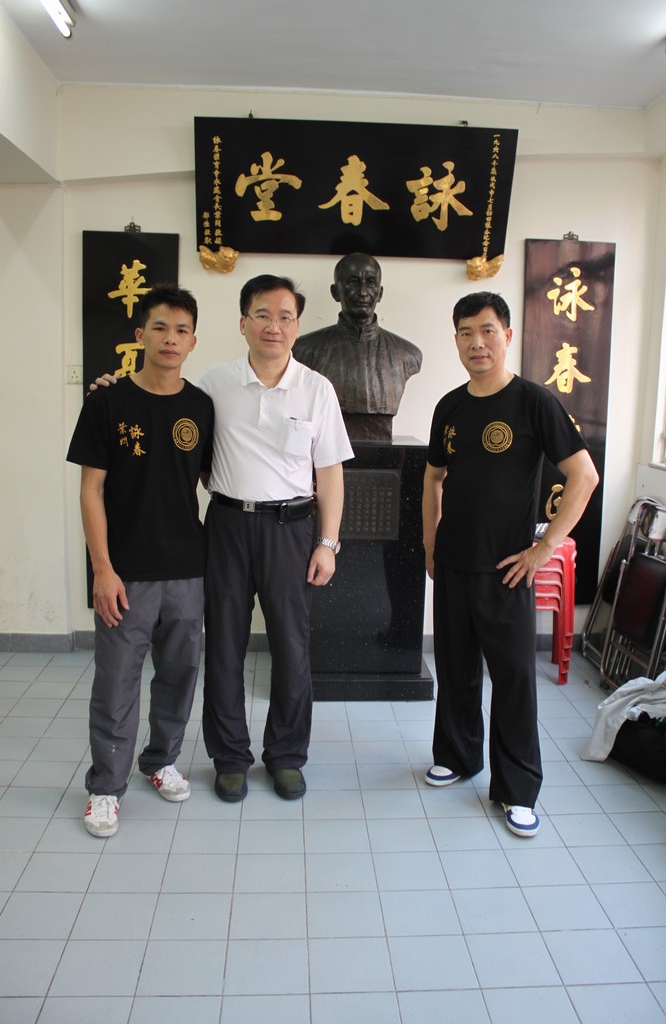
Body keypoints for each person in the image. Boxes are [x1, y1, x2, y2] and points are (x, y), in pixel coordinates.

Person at [422, 291, 598, 837]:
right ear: (455, 341)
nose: (477, 342)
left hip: (508, 568)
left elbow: (584, 476)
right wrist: (430, 542)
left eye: (487, 331)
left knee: (515, 679)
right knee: (454, 667)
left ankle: (517, 789)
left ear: (507, 336)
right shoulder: (449, 406)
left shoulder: (534, 402)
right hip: (453, 563)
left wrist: (544, 549)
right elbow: (433, 477)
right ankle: (457, 755)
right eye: (466, 333)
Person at [197, 274, 354, 803]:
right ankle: (229, 757)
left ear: (297, 326)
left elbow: (329, 472)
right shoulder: (213, 384)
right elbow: (187, 446)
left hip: (291, 530)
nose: (274, 326)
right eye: (262, 315)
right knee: (224, 645)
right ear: (243, 323)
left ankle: (286, 756)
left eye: (285, 316)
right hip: (227, 526)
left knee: (291, 646)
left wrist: (327, 543)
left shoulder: (316, 388)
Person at [67, 284, 214, 838]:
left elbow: (212, 478)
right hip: (125, 572)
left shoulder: (201, 407)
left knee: (179, 675)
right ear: (140, 335)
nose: (170, 339)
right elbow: (91, 490)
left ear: (193, 341)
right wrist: (102, 569)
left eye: (181, 330)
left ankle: (161, 760)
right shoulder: (107, 402)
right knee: (116, 685)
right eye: (160, 328)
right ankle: (105, 788)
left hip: (187, 569)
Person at [294, 253, 422, 440]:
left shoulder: (407, 354)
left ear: (380, 293)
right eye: (353, 282)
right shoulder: (304, 350)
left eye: (370, 283)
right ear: (335, 292)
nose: (363, 292)